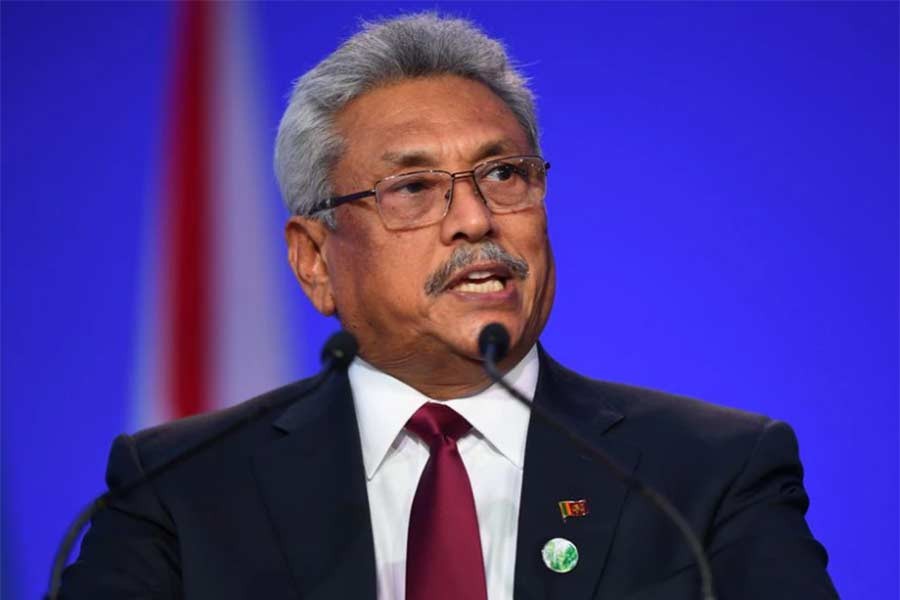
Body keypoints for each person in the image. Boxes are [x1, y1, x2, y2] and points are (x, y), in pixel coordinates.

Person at [61, 13, 838, 600]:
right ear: (315, 260)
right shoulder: (179, 488)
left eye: (503, 174)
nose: (475, 219)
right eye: (412, 188)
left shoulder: (707, 475)